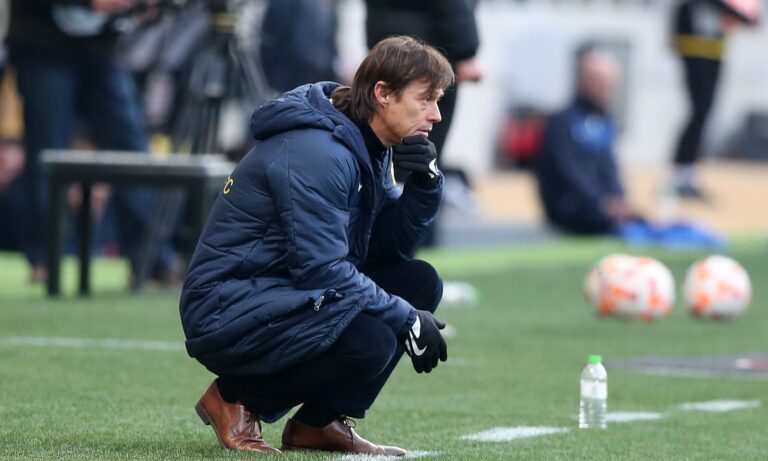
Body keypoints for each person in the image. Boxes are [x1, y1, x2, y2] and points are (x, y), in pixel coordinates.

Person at [179, 36, 451, 455]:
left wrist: (425, 188)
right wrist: (405, 318)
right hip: (226, 305)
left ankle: (317, 423)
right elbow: (321, 269)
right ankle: (234, 398)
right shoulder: (318, 152)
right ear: (383, 94)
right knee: (372, 341)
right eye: (425, 99)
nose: (435, 114)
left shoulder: (370, 143)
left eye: (438, 101)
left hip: (280, 286)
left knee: (419, 283)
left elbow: (384, 249)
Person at [6, 0, 177, 284]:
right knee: (47, 156)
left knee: (133, 153)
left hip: (103, 48)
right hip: (43, 42)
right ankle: (45, 258)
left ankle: (152, 260)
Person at [364, 0, 484, 218]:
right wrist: (466, 50)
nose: (435, 115)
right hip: (427, 48)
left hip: (386, 46)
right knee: (418, 158)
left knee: (396, 159)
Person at [533, 47, 639, 235]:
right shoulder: (563, 122)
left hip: (602, 206)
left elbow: (609, 166)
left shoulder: (605, 121)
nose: (606, 91)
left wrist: (618, 198)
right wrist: (600, 202)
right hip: (570, 207)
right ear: (584, 81)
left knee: (638, 221)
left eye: (610, 85)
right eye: (601, 83)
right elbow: (569, 171)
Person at [669, 0, 760, 199]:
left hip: (713, 49)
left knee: (704, 112)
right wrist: (742, 17)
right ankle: (680, 174)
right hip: (695, 48)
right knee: (698, 111)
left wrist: (746, 16)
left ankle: (688, 173)